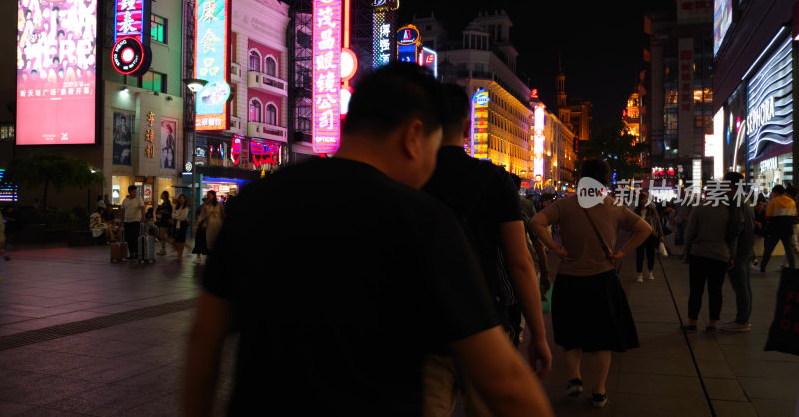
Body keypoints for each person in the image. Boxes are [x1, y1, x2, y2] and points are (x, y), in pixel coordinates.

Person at [182, 62, 553, 417]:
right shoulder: (421, 218)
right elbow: (501, 379)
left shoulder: (256, 201)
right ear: (413, 136)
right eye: (433, 150)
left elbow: (204, 339)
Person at [420, 85, 551, 416]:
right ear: (467, 127)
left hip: (427, 331)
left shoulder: (410, 176)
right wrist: (538, 334)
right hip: (486, 327)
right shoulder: (496, 180)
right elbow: (519, 263)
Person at [530, 158, 651, 408]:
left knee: (571, 333)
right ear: (605, 181)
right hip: (602, 280)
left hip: (569, 279)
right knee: (601, 340)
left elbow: (536, 222)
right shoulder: (614, 206)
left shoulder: (564, 204)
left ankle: (574, 379)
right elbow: (645, 229)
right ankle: (599, 390)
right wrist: (621, 252)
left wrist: (556, 248)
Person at [682, 180, 741, 333]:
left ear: (709, 193)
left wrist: (686, 250)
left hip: (699, 254)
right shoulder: (729, 211)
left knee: (696, 290)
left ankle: (692, 322)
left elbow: (689, 232)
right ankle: (712, 323)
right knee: (716, 291)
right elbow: (733, 236)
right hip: (720, 256)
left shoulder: (700, 208)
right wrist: (731, 256)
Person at [721, 172, 755, 332]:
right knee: (745, 286)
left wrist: (730, 252)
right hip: (747, 248)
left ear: (731, 184)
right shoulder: (745, 199)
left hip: (739, 251)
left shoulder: (736, 200)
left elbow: (736, 226)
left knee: (741, 287)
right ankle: (743, 319)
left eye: (724, 181)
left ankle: (742, 321)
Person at [755, 184, 797, 273]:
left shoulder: (774, 201)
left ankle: (762, 267)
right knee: (789, 250)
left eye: (773, 193)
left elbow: (768, 215)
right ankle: (793, 269)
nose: (772, 194)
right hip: (788, 230)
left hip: (776, 230)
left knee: (769, 249)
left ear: (776, 192)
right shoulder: (792, 202)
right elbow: (794, 214)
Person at [633, 189, 664, 283]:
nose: (644, 201)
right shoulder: (636, 211)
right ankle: (639, 274)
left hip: (651, 235)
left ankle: (650, 272)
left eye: (646, 199)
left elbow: (658, 222)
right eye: (642, 199)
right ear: (639, 201)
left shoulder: (652, 210)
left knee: (651, 255)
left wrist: (661, 235)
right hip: (639, 236)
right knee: (640, 255)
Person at [120, 185, 145, 259]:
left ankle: (136, 252)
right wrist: (121, 220)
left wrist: (143, 217)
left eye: (135, 191)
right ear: (129, 192)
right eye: (133, 191)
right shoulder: (125, 200)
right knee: (127, 238)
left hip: (135, 221)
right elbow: (122, 210)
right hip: (127, 221)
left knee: (134, 237)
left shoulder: (139, 199)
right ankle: (131, 253)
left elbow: (142, 208)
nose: (135, 193)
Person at [172, 194, 191, 262]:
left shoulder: (185, 208)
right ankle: (179, 253)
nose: (181, 199)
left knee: (181, 241)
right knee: (174, 241)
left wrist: (176, 216)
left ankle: (180, 255)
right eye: (180, 198)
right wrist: (177, 216)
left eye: (182, 198)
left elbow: (183, 217)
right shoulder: (175, 206)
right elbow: (173, 215)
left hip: (182, 224)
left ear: (185, 199)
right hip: (176, 223)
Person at [156, 190, 174, 256]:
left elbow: (169, 211)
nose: (161, 195)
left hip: (166, 221)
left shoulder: (167, 202)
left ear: (165, 195)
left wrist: (162, 211)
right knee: (162, 236)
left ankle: (173, 244)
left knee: (162, 236)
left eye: (162, 194)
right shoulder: (164, 202)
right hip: (163, 220)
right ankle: (163, 249)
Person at [192, 197, 209, 264]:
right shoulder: (201, 207)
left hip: (207, 224)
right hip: (202, 224)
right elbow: (198, 215)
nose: (205, 202)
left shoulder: (209, 207)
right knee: (199, 239)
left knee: (205, 240)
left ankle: (202, 256)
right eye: (204, 201)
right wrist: (197, 224)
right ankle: (198, 256)